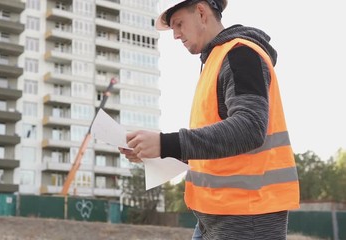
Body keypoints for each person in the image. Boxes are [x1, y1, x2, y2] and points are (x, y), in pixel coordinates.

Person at [119, 0, 300, 239]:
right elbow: (215, 148)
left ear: (202, 13)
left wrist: (165, 143)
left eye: (178, 24)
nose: (175, 35)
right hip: (214, 216)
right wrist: (156, 152)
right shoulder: (214, 61)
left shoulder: (240, 54)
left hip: (247, 217)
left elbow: (250, 128)